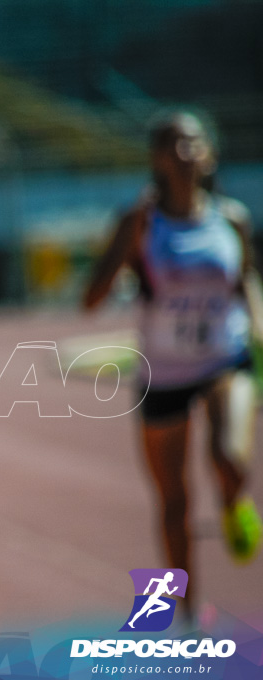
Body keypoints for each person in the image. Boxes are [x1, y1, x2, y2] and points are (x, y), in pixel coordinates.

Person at [83, 110, 262, 619]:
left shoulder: (232, 218)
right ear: (156, 158)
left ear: (210, 155)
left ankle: (233, 503)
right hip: (163, 372)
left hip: (225, 357)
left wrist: (257, 319)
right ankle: (185, 618)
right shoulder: (139, 222)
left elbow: (244, 277)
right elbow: (91, 299)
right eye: (171, 143)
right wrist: (125, 247)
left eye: (192, 143)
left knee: (230, 459)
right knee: (174, 503)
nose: (184, 152)